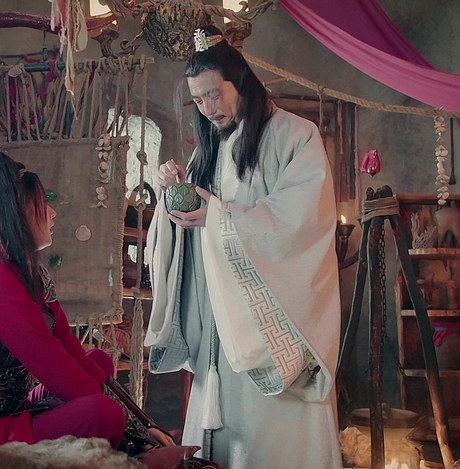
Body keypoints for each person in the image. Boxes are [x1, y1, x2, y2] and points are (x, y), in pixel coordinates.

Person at [144, 25, 343, 469]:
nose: (208, 108)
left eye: (214, 94)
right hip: (218, 316)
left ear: (241, 82)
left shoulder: (295, 135)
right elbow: (194, 222)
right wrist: (173, 197)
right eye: (198, 100)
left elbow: (302, 221)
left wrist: (218, 217)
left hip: (264, 320)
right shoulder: (209, 149)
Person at [0, 149, 172, 452]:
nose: (52, 213)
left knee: (96, 361)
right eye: (43, 204)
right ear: (20, 212)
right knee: (103, 413)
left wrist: (145, 424)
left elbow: (67, 345)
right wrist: (133, 429)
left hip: (9, 408)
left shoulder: (30, 273)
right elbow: (54, 367)